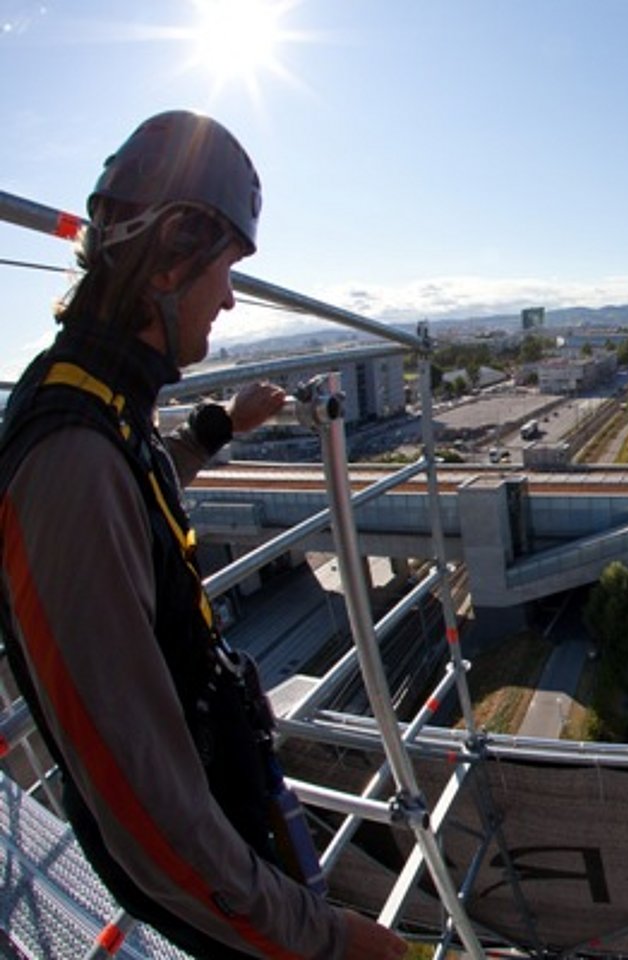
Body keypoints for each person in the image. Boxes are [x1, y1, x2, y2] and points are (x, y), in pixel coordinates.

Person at [0, 111, 406, 959]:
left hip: (224, 824)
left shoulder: (95, 399)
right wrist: (326, 942)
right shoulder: (71, 454)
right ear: (171, 261)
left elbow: (135, 500)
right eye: (224, 270)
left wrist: (220, 429)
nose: (228, 296)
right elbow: (144, 806)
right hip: (214, 881)